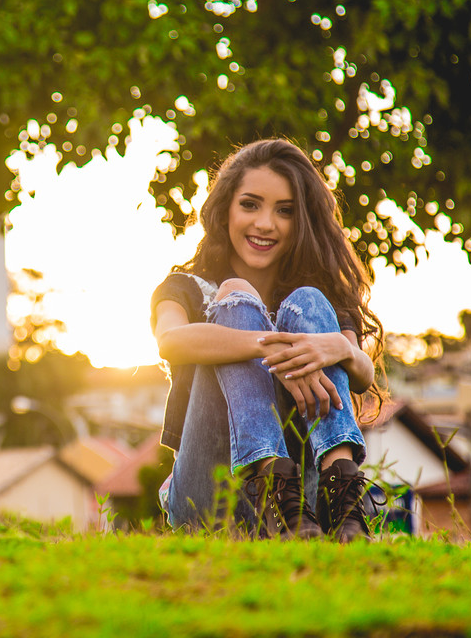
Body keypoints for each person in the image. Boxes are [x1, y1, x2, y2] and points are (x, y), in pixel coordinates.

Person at [151, 138, 387, 541]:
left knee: (309, 299)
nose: (265, 223)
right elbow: (170, 342)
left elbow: (362, 375)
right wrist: (271, 345)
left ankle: (344, 493)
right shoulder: (185, 288)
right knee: (234, 295)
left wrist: (342, 348)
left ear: (304, 221)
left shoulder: (317, 305)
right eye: (250, 204)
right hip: (207, 495)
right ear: (225, 207)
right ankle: (268, 479)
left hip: (305, 506)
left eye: (285, 211)